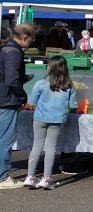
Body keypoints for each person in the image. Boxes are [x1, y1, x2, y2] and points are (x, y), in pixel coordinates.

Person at [23, 55, 76, 190]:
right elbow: (72, 105)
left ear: (50, 68)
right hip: (58, 119)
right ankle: (46, 178)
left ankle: (30, 176)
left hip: (40, 117)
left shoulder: (41, 83)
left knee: (37, 144)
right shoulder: (69, 86)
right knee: (51, 146)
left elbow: (31, 102)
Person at [0, 23, 35, 189]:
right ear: (24, 37)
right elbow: (11, 80)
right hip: (7, 100)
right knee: (5, 139)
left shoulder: (5, 48)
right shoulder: (13, 52)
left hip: (3, 97)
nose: (32, 41)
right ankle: (3, 177)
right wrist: (23, 96)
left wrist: (22, 77)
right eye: (32, 38)